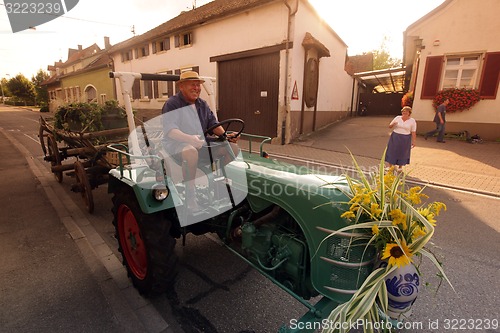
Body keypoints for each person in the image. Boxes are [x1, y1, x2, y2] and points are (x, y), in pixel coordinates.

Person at [161, 70, 239, 209]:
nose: (196, 88)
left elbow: (213, 124)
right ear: (181, 86)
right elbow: (170, 131)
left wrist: (225, 136)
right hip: (177, 145)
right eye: (192, 85)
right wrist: (190, 139)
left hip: (200, 143)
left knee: (232, 148)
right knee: (191, 151)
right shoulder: (172, 104)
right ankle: (190, 196)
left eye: (198, 85)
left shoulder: (202, 104)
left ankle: (222, 188)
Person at [385, 106, 417, 172]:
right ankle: (390, 166)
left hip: (405, 138)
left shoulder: (412, 121)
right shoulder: (397, 118)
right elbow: (389, 126)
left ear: (409, 113)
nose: (404, 113)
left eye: (406, 112)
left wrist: (414, 141)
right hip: (395, 137)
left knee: (402, 152)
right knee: (392, 150)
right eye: (403, 112)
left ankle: (400, 167)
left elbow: (413, 132)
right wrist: (393, 124)